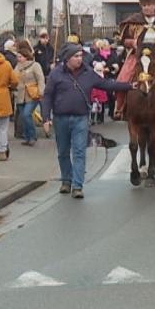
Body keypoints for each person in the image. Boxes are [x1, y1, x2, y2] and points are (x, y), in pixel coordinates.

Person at [43, 43, 135, 199]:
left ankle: (77, 186)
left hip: (81, 118)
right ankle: (66, 180)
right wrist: (46, 118)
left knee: (79, 151)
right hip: (60, 118)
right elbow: (47, 96)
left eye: (81, 56)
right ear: (67, 58)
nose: (80, 59)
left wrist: (129, 86)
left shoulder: (88, 73)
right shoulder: (56, 74)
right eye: (76, 56)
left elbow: (106, 84)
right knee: (63, 152)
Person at [15, 40, 45, 146]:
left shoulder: (35, 65)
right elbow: (14, 79)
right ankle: (27, 137)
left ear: (26, 57)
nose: (18, 59)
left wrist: (41, 92)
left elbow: (40, 79)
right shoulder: (17, 67)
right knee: (23, 116)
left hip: (32, 95)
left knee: (27, 114)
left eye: (20, 57)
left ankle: (32, 136)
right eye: (17, 57)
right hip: (20, 95)